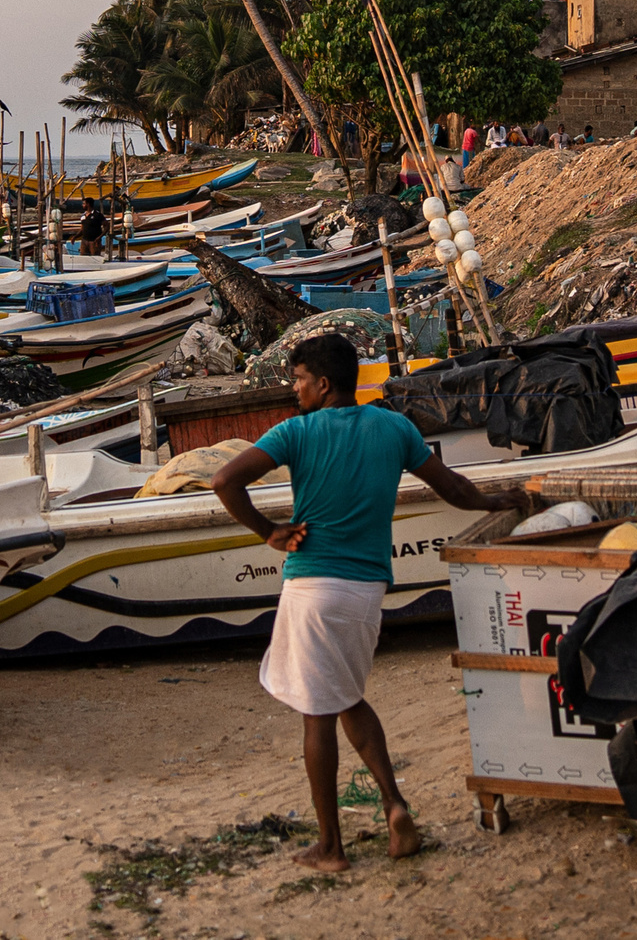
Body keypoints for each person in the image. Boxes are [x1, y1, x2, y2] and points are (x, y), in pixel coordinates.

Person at [210, 334, 526, 873]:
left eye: (299, 379)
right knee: (348, 696)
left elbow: (224, 480)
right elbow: (452, 489)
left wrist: (269, 531)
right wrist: (502, 499)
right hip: (367, 590)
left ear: (323, 383)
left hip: (313, 586)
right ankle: (394, 805)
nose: (295, 389)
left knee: (317, 716)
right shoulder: (395, 428)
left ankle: (331, 848)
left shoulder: (297, 431)